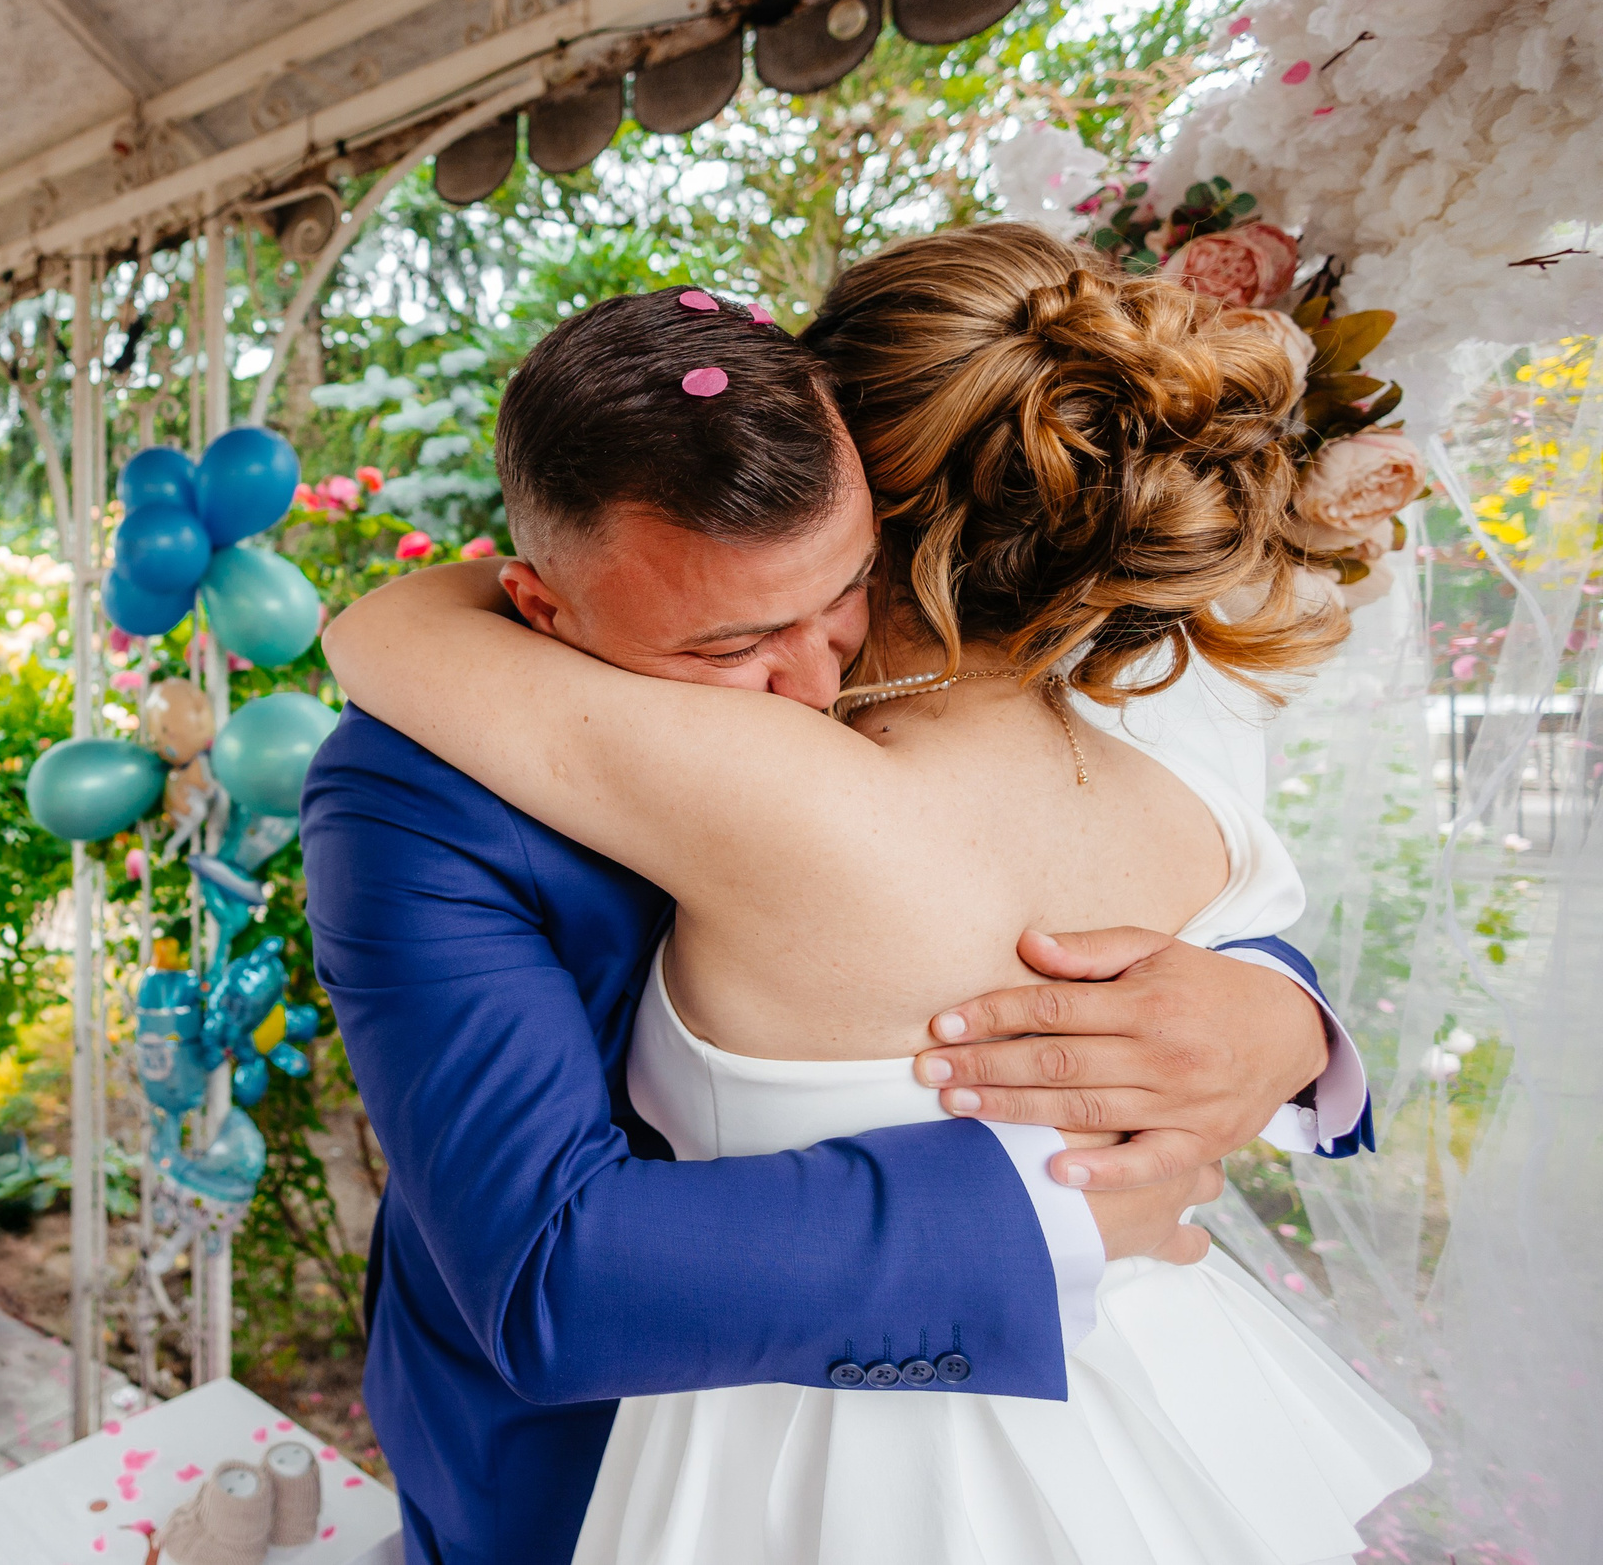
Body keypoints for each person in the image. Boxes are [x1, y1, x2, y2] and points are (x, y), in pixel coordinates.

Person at [297, 233, 1399, 1565]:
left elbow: (1114, 871)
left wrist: (1283, 1021)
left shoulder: (990, 667)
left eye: (842, 593)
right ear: (539, 605)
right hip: (577, 1458)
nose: (816, 683)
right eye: (729, 648)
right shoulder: (414, 789)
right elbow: (548, 1273)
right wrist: (1034, 1216)